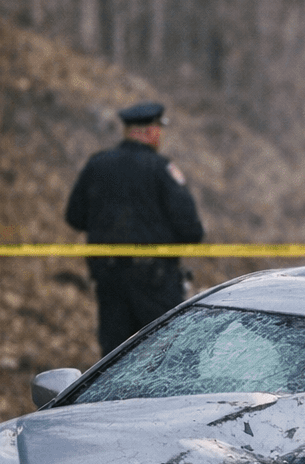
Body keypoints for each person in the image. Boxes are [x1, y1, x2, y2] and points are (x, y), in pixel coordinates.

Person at [66, 101, 204, 355]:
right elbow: (191, 229)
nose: (160, 135)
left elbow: (74, 217)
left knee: (114, 361)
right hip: (155, 283)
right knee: (165, 356)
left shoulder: (97, 165)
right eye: (158, 129)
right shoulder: (161, 169)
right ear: (150, 131)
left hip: (108, 279)